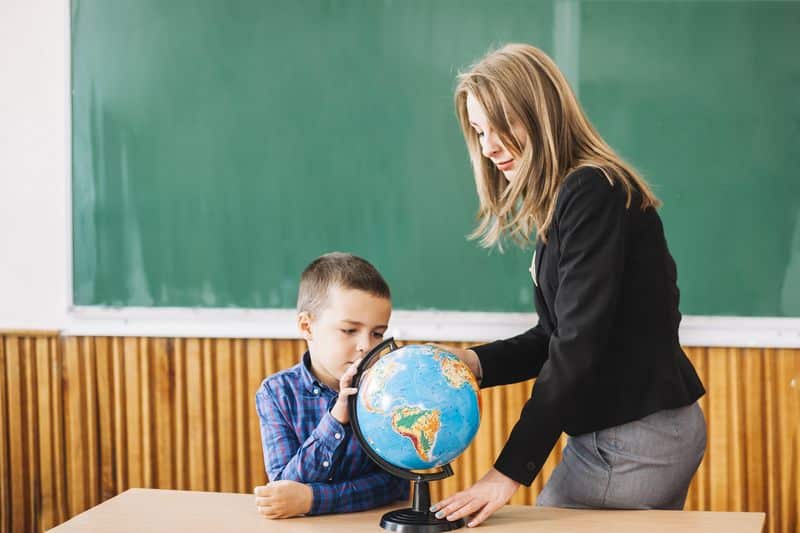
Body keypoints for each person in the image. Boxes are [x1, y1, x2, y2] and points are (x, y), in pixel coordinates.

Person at [429, 44, 707, 527]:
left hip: (629, 439)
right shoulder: (575, 198)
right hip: (629, 434)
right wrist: (474, 362)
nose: (490, 146)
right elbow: (555, 337)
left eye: (502, 125)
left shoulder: (591, 191)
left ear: (542, 113)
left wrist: (505, 473)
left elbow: (577, 345)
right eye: (478, 131)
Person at [253, 252, 408, 518]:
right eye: (349, 330)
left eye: (378, 333)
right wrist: (337, 418)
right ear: (307, 326)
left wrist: (312, 500)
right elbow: (284, 488)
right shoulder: (277, 393)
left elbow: (395, 484)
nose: (366, 346)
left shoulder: (387, 390)